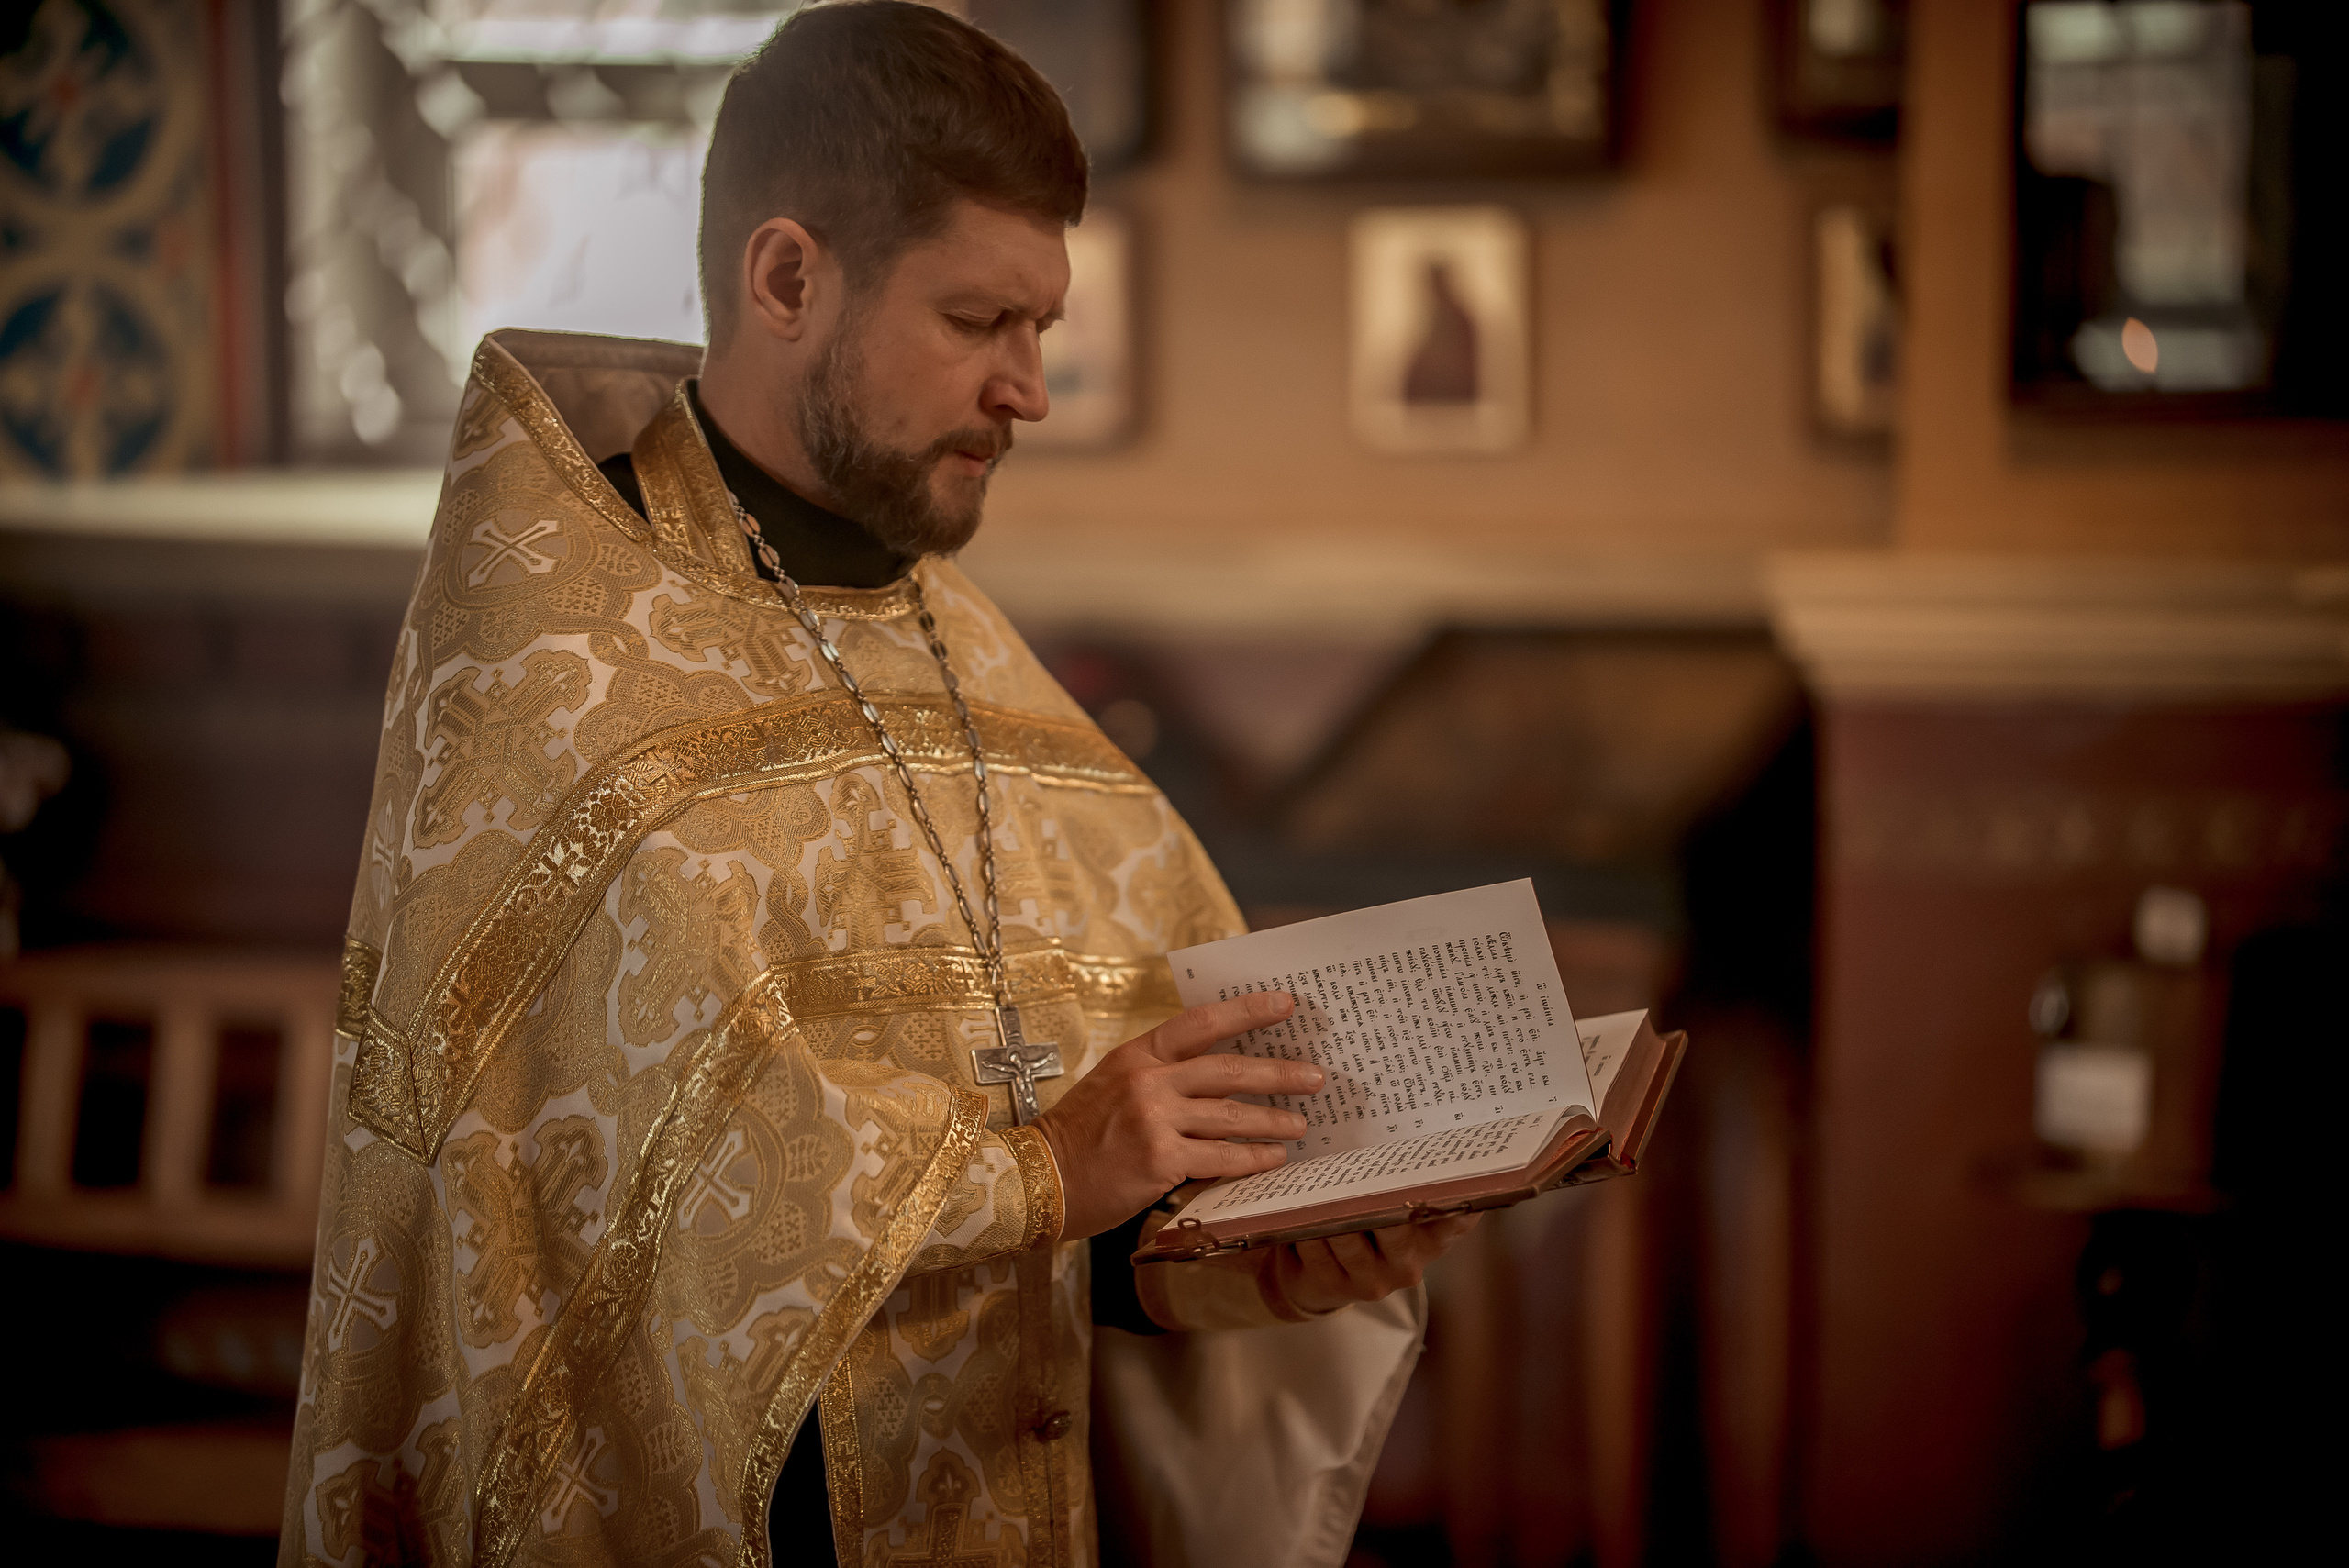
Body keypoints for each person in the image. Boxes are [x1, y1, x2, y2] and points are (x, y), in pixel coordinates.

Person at [279, 6, 1475, 1565]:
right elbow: (622, 1235)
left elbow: (1085, 1198)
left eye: (1041, 325)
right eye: (980, 320)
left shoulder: (969, 649)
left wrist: (1231, 1257)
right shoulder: (559, 661)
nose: (1029, 387)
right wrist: (1045, 1169)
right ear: (788, 279)